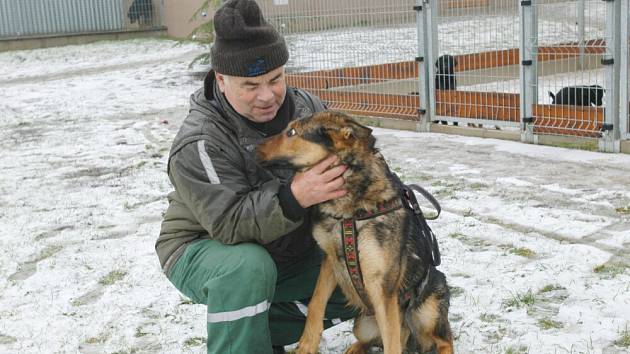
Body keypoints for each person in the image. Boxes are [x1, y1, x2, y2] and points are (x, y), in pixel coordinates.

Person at [156, 1, 357, 353]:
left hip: (287, 246)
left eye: (275, 79)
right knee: (247, 267)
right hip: (202, 247)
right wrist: (296, 196)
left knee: (363, 271)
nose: (267, 96)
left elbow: (351, 161)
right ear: (221, 79)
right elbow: (230, 224)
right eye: (250, 85)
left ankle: (258, 330)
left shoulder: (308, 109)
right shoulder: (200, 141)